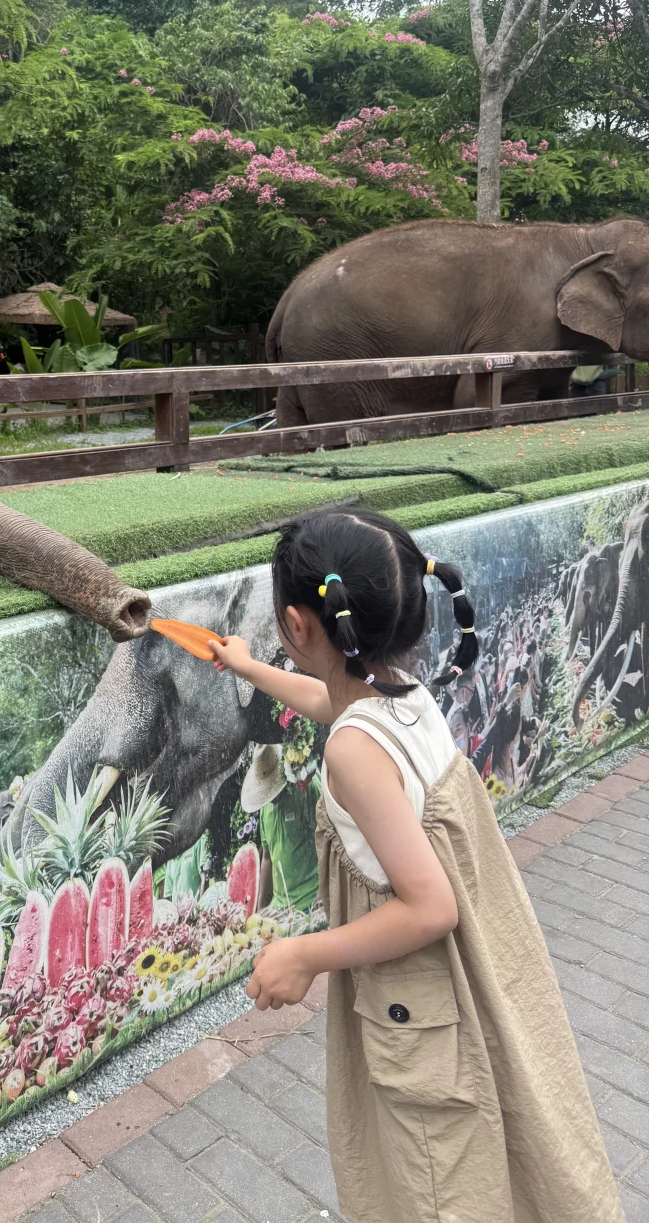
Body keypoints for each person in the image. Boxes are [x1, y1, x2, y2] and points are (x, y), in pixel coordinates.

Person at [209, 507, 622, 1223]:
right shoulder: (400, 691)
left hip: (419, 1004)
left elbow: (430, 907)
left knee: (435, 1181)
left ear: (298, 626)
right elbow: (332, 702)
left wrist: (305, 953)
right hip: (469, 975)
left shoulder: (353, 752)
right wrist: (249, 667)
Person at [240, 744, 320, 914]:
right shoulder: (265, 809)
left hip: (310, 900)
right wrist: (260, 905)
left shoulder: (305, 790)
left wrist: (323, 893)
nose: (270, 797)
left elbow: (329, 839)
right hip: (280, 906)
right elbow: (267, 857)